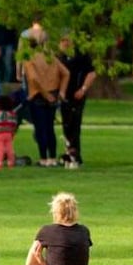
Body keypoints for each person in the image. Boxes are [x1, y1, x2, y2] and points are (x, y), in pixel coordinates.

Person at [1, 192, 92, 265]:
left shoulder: (47, 231)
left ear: (55, 212)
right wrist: (49, 264)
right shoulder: (84, 232)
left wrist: (41, 260)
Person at [21, 29, 70, 167]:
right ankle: (53, 157)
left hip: (37, 96)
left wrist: (44, 94)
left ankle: (43, 158)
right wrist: (62, 92)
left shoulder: (29, 58)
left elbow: (33, 78)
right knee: (50, 128)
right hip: (54, 94)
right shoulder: (51, 57)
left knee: (40, 128)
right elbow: (66, 73)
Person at [57, 34, 96, 167]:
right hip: (64, 95)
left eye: (67, 40)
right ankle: (69, 152)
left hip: (76, 94)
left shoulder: (81, 56)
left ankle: (75, 154)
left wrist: (83, 89)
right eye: (62, 40)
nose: (65, 43)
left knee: (75, 123)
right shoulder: (59, 57)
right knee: (66, 124)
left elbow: (91, 73)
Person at [0, 94, 17, 170]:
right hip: (8, 133)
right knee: (10, 149)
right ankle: (11, 162)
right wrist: (13, 133)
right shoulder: (12, 114)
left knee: (0, 149)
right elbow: (14, 125)